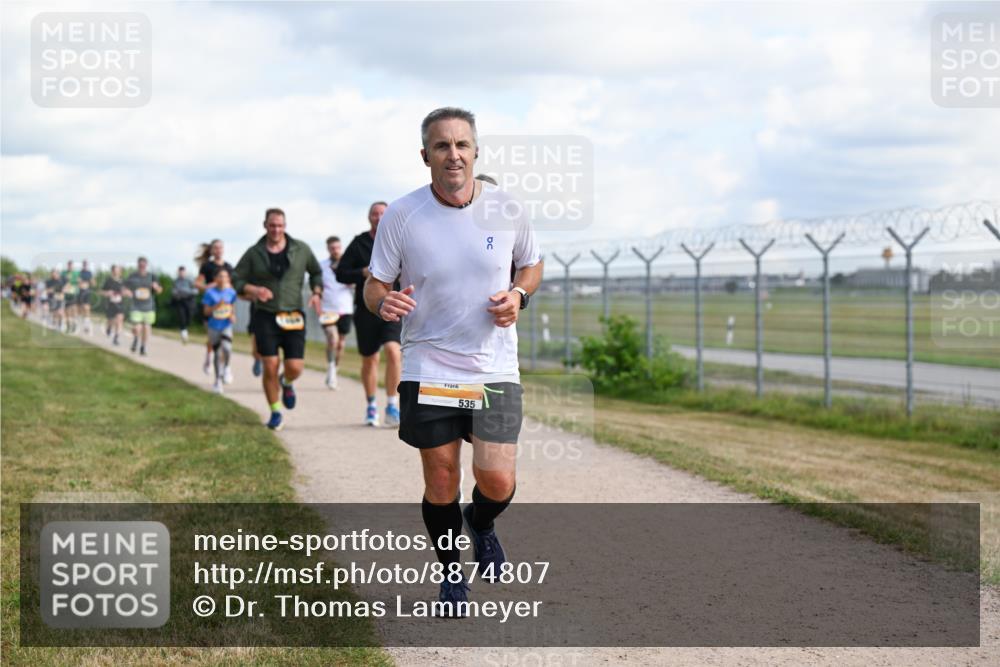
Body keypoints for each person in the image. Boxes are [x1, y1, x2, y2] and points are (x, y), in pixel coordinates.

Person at [365, 107, 542, 614]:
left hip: (493, 367)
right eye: (441, 146)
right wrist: (383, 302)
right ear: (426, 156)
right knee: (441, 478)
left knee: (497, 481)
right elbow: (375, 282)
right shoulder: (403, 215)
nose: (453, 154)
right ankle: (450, 575)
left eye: (462, 144)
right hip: (430, 365)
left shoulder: (507, 209)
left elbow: (531, 264)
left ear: (476, 151)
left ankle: (481, 522)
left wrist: (519, 296)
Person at [232, 208, 323, 431]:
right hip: (266, 315)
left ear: (285, 226)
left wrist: (317, 292)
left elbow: (316, 272)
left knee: (295, 366)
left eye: (280, 225)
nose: (276, 230)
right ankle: (274, 411)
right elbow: (236, 278)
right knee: (270, 364)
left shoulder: (300, 249)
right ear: (265, 225)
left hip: (293, 315)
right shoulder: (254, 253)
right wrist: (253, 288)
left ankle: (288, 382)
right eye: (272, 225)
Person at [336, 202, 402, 426]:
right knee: (370, 359)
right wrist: (362, 272)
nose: (378, 217)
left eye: (383, 213)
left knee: (394, 352)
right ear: (369, 218)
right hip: (366, 309)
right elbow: (341, 274)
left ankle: (392, 405)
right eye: (374, 214)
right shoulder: (359, 243)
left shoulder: (398, 239)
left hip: (393, 306)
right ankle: (371, 405)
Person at [194, 240, 236, 375]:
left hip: (225, 310)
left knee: (225, 341)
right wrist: (207, 287)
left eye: (220, 248)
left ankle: (224, 367)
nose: (218, 250)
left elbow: (233, 288)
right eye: (215, 248)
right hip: (211, 307)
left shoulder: (229, 267)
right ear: (212, 251)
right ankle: (209, 357)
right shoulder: (207, 266)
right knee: (213, 339)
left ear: (223, 250)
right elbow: (197, 283)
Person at [319, 235, 355, 389]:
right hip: (327, 310)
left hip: (345, 309)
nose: (335, 250)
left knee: (340, 344)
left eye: (338, 247)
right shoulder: (321, 266)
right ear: (328, 249)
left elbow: (356, 282)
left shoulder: (348, 264)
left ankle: (334, 368)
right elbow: (317, 284)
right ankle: (331, 370)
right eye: (332, 248)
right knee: (332, 339)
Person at [201, 268, 238, 394]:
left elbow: (232, 307)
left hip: (226, 325)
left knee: (227, 348)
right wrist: (216, 306)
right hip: (213, 325)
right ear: (215, 279)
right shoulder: (210, 293)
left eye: (225, 276)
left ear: (228, 279)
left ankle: (227, 367)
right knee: (217, 353)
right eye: (220, 276)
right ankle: (218, 380)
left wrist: (233, 315)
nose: (222, 279)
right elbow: (206, 312)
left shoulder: (231, 293)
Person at [125, 256, 163, 355]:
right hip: (136, 306)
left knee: (146, 327)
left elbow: (160, 290)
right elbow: (124, 288)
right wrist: (127, 292)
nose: (142, 266)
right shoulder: (132, 276)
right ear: (138, 265)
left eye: (144, 265)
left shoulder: (152, 276)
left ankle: (143, 346)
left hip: (149, 306)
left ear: (146, 265)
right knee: (137, 328)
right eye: (140, 264)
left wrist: (156, 287)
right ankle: (136, 339)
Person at [171, 266, 198, 345]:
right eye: (180, 272)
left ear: (185, 272)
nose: (181, 273)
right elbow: (174, 292)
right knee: (181, 317)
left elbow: (195, 290)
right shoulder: (176, 281)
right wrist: (178, 294)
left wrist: (186, 292)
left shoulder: (190, 280)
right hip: (180, 301)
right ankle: (184, 333)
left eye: (183, 272)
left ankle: (185, 328)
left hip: (189, 301)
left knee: (189, 317)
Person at [101, 264, 127, 345]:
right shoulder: (108, 281)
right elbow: (101, 291)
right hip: (110, 303)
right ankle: (109, 328)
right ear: (113, 271)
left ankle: (116, 338)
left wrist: (124, 293)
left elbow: (125, 292)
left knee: (119, 319)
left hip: (119, 303)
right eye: (116, 270)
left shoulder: (122, 281)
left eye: (118, 270)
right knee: (111, 320)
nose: (117, 271)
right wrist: (107, 293)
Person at [61, 260, 80, 333]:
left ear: (73, 266)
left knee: (74, 309)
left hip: (74, 293)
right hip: (66, 295)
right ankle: (68, 327)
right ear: (67, 265)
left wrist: (70, 284)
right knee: (67, 312)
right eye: (69, 265)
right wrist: (64, 287)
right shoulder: (64, 273)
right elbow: (61, 282)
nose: (70, 267)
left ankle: (74, 324)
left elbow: (78, 281)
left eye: (71, 265)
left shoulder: (76, 273)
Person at [77, 260, 95, 335]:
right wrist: (79, 282)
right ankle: (84, 322)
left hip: (87, 292)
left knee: (87, 308)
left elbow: (94, 283)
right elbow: (77, 282)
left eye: (86, 264)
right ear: (82, 265)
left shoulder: (89, 273)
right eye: (84, 264)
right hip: (80, 293)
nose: (85, 265)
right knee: (81, 309)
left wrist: (91, 282)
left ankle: (87, 326)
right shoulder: (79, 273)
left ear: (87, 265)